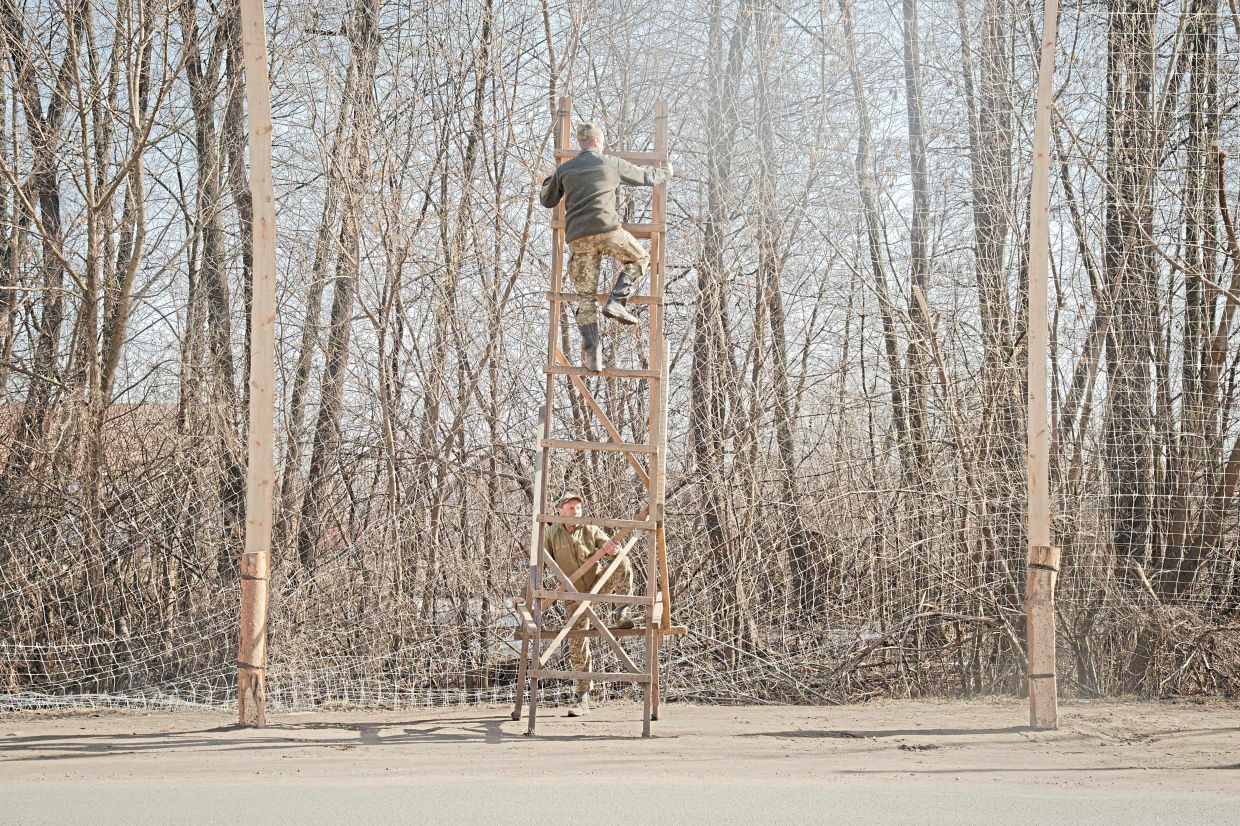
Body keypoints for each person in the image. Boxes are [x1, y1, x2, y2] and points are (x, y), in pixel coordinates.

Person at [540, 121, 673, 372]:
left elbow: (548, 200)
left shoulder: (565, 169)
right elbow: (645, 177)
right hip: (608, 231)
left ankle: (593, 358)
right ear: (599, 142)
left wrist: (549, 181)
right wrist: (666, 172)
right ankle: (617, 300)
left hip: (578, 238)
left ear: (580, 142)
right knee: (640, 258)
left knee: (586, 299)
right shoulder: (611, 163)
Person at [543, 491, 641, 717]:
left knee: (623, 561)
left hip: (598, 585)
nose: (575, 512)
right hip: (573, 593)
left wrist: (611, 551)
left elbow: (611, 553)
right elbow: (539, 565)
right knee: (578, 642)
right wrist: (524, 596)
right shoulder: (551, 533)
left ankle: (621, 610)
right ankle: (583, 698)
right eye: (570, 508)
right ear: (560, 512)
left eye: (578, 508)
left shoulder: (591, 529)